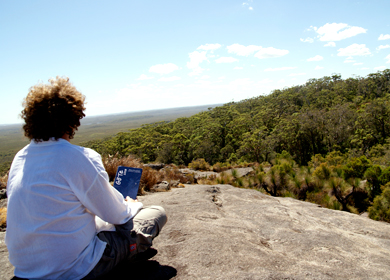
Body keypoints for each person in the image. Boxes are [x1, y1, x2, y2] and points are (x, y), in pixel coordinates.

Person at [5, 77, 167, 279]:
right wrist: (131, 205)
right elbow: (117, 215)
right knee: (156, 214)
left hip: (26, 269)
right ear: (73, 118)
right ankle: (131, 252)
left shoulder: (20, 158)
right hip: (75, 269)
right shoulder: (79, 156)